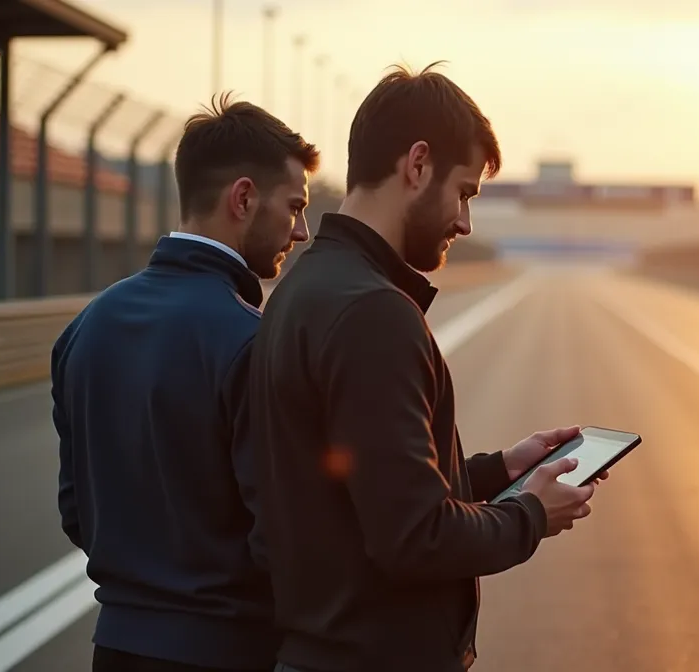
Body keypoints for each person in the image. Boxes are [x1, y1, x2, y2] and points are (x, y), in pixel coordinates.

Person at [248, 62, 600, 672]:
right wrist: (530, 515)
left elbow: (357, 490)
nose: (465, 222)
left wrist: (496, 473)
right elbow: (414, 538)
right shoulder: (373, 313)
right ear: (417, 165)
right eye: (464, 193)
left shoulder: (304, 289)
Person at [50, 93, 319, 672]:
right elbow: (280, 533)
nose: (300, 231)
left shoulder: (84, 328)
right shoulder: (252, 340)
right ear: (243, 198)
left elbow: (76, 509)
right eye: (294, 207)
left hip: (115, 646)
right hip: (228, 650)